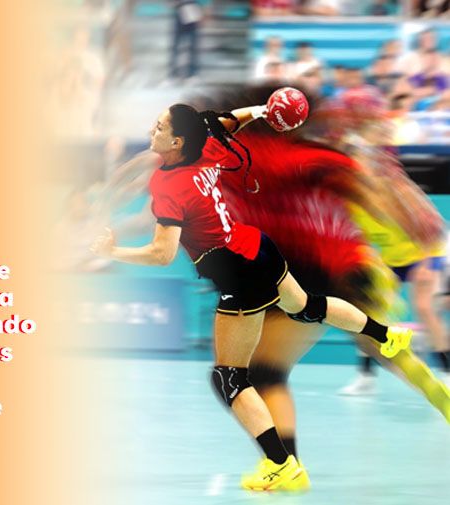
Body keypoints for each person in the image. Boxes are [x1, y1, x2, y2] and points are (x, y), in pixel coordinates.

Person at [90, 98, 413, 491]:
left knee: (229, 378)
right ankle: (388, 336)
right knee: (307, 306)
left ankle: (282, 465)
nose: (151, 132)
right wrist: (265, 109)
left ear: (177, 143)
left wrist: (113, 252)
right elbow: (231, 121)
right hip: (256, 246)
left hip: (236, 274)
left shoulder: (168, 185)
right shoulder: (205, 143)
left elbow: (162, 254)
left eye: (159, 128)